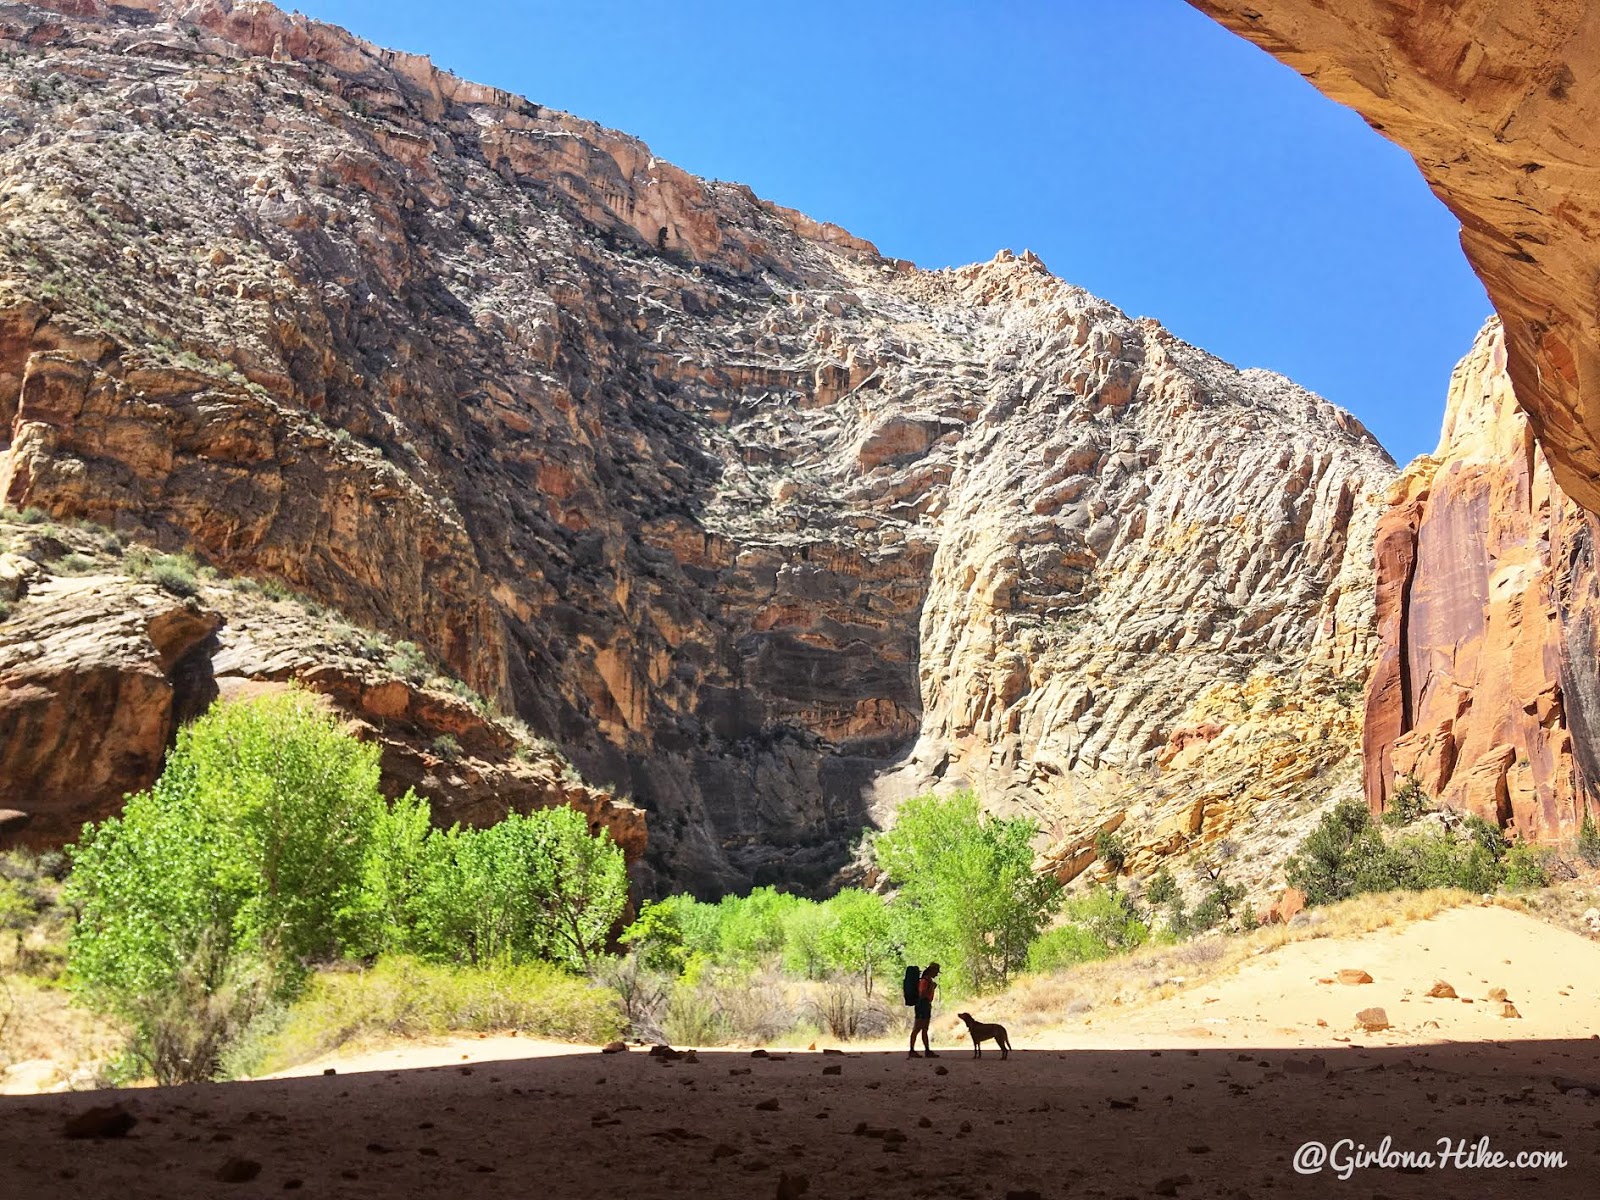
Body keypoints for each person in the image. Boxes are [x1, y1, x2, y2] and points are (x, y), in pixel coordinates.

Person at [908, 962, 941, 1058]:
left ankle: (926, 1050)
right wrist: (931, 988)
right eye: (936, 971)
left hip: (924, 1005)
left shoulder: (927, 980)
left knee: (924, 1029)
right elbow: (922, 994)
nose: (937, 974)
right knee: (918, 1028)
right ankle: (912, 1050)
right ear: (932, 970)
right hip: (922, 1005)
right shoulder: (925, 981)